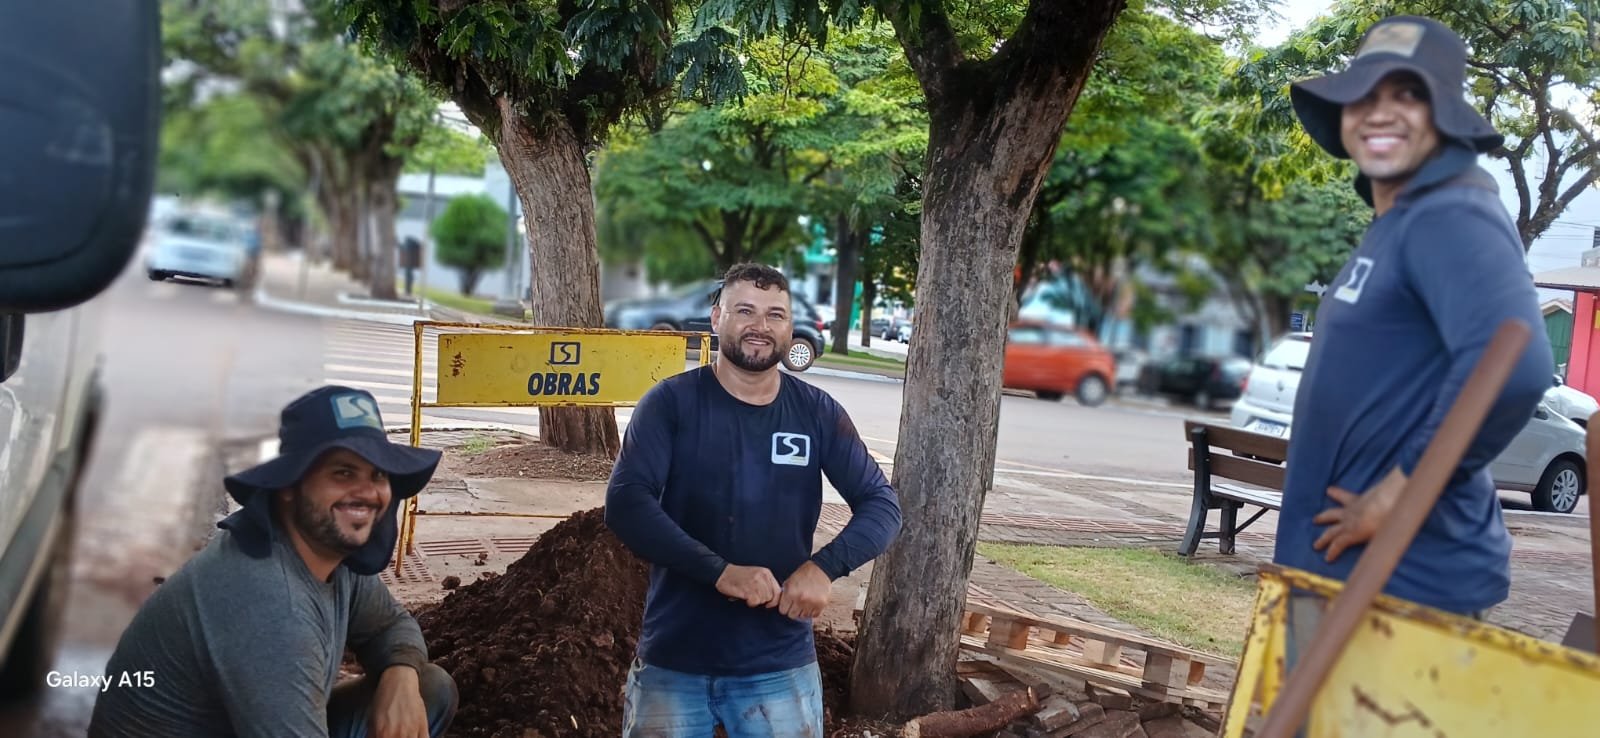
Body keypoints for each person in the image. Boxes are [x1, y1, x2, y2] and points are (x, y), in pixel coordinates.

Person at [1274, 15, 1554, 621]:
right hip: (1346, 579)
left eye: (1407, 95)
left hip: (1403, 583)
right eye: (1363, 96)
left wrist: (1400, 494)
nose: (1380, 113)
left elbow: (1516, 367)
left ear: (1444, 118)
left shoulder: (1450, 213)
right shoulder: (1400, 220)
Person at [605, 263, 902, 737]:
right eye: (744, 310)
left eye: (775, 314)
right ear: (716, 317)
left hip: (779, 665)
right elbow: (626, 503)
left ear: (789, 327)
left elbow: (882, 504)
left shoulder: (817, 412)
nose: (760, 326)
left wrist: (824, 567)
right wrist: (720, 572)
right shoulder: (670, 403)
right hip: (675, 657)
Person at [89, 386, 458, 738]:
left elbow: (390, 625)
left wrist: (399, 675)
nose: (366, 491)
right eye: (343, 473)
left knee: (428, 688)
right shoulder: (269, 602)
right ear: (289, 486)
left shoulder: (330, 552)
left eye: (378, 474)